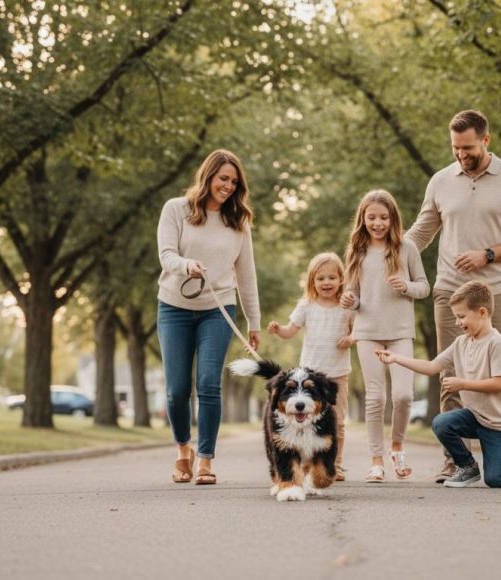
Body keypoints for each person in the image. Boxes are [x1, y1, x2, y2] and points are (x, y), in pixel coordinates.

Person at [405, 109, 501, 482]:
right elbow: (421, 233)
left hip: (497, 289)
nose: (462, 155)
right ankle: (456, 459)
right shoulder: (441, 181)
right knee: (450, 368)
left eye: (468, 148)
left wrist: (488, 254)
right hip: (449, 288)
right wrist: (387, 254)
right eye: (455, 149)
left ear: (486, 140)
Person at [157, 149, 260, 485]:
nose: (228, 186)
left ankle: (205, 460)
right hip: (174, 306)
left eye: (234, 181)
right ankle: (182, 452)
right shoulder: (177, 209)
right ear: (208, 176)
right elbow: (166, 254)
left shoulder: (239, 223)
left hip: (218, 309)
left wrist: (253, 323)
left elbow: (247, 277)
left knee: (208, 384)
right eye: (223, 179)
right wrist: (186, 264)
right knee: (176, 389)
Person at [375, 280, 501, 488]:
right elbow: (431, 366)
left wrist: (462, 384)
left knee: (495, 479)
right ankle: (467, 466)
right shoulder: (461, 342)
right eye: (456, 317)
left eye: (461, 316)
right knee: (441, 422)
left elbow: (499, 384)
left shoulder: (497, 344)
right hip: (475, 417)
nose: (457, 322)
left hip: (500, 424)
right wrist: (396, 358)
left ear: (482, 312)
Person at [339, 189, 429, 482]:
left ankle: (397, 446)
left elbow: (424, 287)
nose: (377, 223)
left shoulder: (407, 248)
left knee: (403, 396)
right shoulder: (357, 252)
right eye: (371, 217)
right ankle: (376, 460)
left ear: (393, 219)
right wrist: (350, 301)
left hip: (401, 331)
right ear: (362, 219)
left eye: (383, 217)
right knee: (376, 398)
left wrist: (406, 286)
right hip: (368, 332)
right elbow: (353, 294)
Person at [267, 252, 355, 481]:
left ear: (341, 279)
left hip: (338, 374)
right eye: (321, 278)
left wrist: (352, 338)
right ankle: (305, 462)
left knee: (337, 422)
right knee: (305, 421)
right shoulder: (306, 306)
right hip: (310, 377)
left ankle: (334, 464)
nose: (326, 283)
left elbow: (360, 330)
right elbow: (290, 331)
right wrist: (279, 330)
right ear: (312, 281)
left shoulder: (347, 306)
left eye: (332, 278)